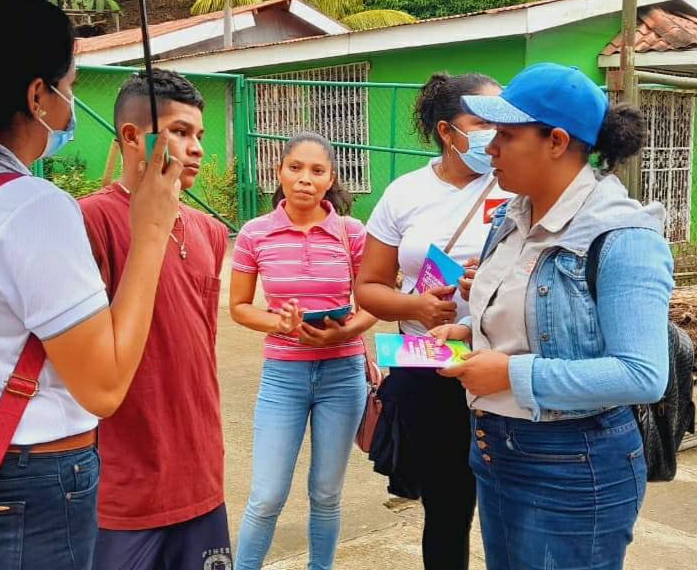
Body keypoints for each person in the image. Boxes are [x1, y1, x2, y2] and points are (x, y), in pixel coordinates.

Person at [0, 0, 183, 568]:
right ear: (37, 96)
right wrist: (151, 232)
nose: (70, 103)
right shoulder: (30, 208)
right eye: (69, 85)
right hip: (27, 486)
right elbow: (104, 387)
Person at [430, 63, 673, 570]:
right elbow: (526, 317)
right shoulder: (511, 217)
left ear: (557, 141)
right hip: (495, 449)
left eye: (506, 135)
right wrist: (468, 331)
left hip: (572, 467)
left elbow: (642, 374)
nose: (491, 149)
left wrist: (511, 374)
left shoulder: (623, 237)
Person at [354, 71, 513, 570]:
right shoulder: (405, 193)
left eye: (502, 122)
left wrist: (489, 282)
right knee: (446, 505)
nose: (495, 134)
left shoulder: (515, 184)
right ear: (447, 132)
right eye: (482, 123)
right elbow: (369, 286)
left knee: (513, 504)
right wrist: (416, 308)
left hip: (506, 362)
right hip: (431, 363)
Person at [79, 70, 231, 570]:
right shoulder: (91, 221)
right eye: (179, 132)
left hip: (201, 475)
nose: (197, 148)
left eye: (200, 134)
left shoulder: (210, 232)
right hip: (122, 488)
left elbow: (198, 348)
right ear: (131, 136)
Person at [229, 133, 377, 570]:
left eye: (317, 171)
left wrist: (342, 332)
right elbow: (239, 306)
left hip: (342, 374)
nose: (305, 179)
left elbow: (372, 302)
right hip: (283, 377)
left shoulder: (352, 232)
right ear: (279, 172)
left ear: (331, 179)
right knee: (267, 495)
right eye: (295, 167)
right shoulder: (255, 233)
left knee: (327, 493)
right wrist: (279, 323)